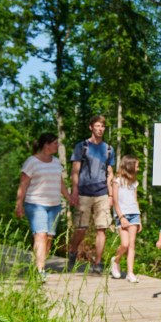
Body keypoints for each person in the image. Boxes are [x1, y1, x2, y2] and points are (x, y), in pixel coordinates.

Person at [15, 132, 73, 281]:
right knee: (40, 235)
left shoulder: (56, 162)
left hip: (54, 205)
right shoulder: (31, 162)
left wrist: (69, 198)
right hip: (35, 204)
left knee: (49, 238)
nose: (57, 146)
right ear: (46, 145)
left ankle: (39, 265)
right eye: (55, 143)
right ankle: (40, 271)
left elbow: (60, 183)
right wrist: (19, 204)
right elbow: (23, 184)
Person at [69, 116, 115, 274]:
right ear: (91, 127)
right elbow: (75, 171)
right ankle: (73, 251)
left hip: (102, 193)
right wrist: (74, 190)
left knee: (102, 228)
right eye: (97, 125)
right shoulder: (82, 146)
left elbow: (110, 172)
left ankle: (98, 262)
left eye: (103, 126)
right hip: (84, 192)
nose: (100, 129)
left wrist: (110, 195)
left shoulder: (108, 149)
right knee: (81, 228)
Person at [109, 155, 142, 282]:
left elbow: (135, 200)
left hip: (134, 215)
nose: (138, 168)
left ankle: (130, 273)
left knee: (132, 245)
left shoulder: (134, 182)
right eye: (137, 165)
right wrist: (121, 217)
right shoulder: (117, 181)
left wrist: (139, 218)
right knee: (125, 244)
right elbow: (115, 201)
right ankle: (116, 260)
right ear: (129, 165)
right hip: (122, 215)